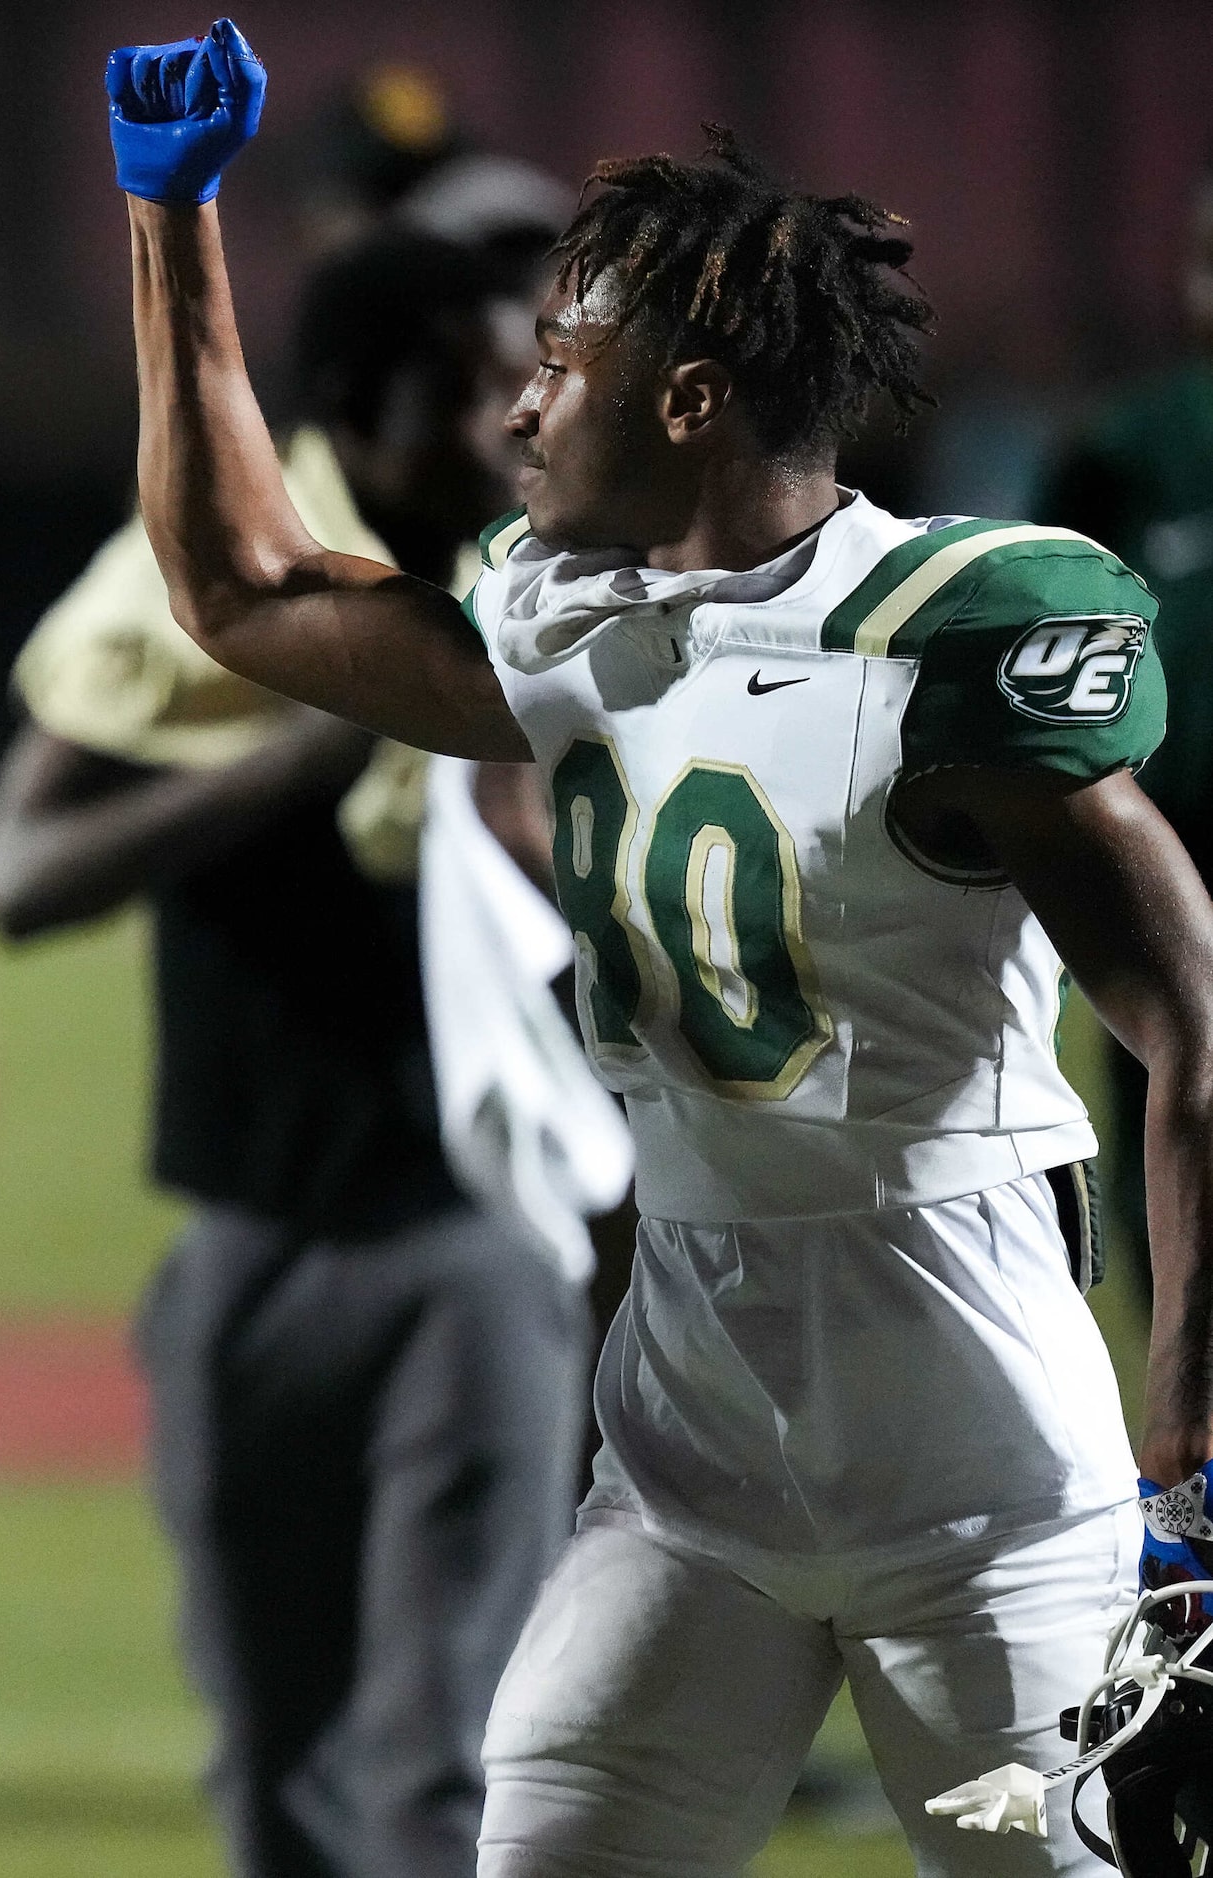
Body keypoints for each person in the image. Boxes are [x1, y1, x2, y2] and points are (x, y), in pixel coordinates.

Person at [109, 21, 1213, 1876]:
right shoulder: (565, 622)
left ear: (688, 399)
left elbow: (1191, 1021)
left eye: (559, 362)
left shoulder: (943, 636)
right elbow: (243, 585)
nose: (519, 409)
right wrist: (172, 214)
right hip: (688, 1444)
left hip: (976, 1457)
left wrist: (1189, 1442)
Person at [0, 226, 591, 1878]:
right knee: (273, 1766)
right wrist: (315, 739)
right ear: (357, 406)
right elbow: (19, 877)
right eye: (480, 388)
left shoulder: (551, 574)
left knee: (444, 1761)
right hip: (247, 1232)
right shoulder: (209, 590)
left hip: (480, 1235)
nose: (519, 422)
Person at [1035, 162, 1213, 1295]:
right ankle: (1195, 1455)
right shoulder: (1128, 447)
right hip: (1162, 859)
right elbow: (1046, 645)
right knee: (1180, 1152)